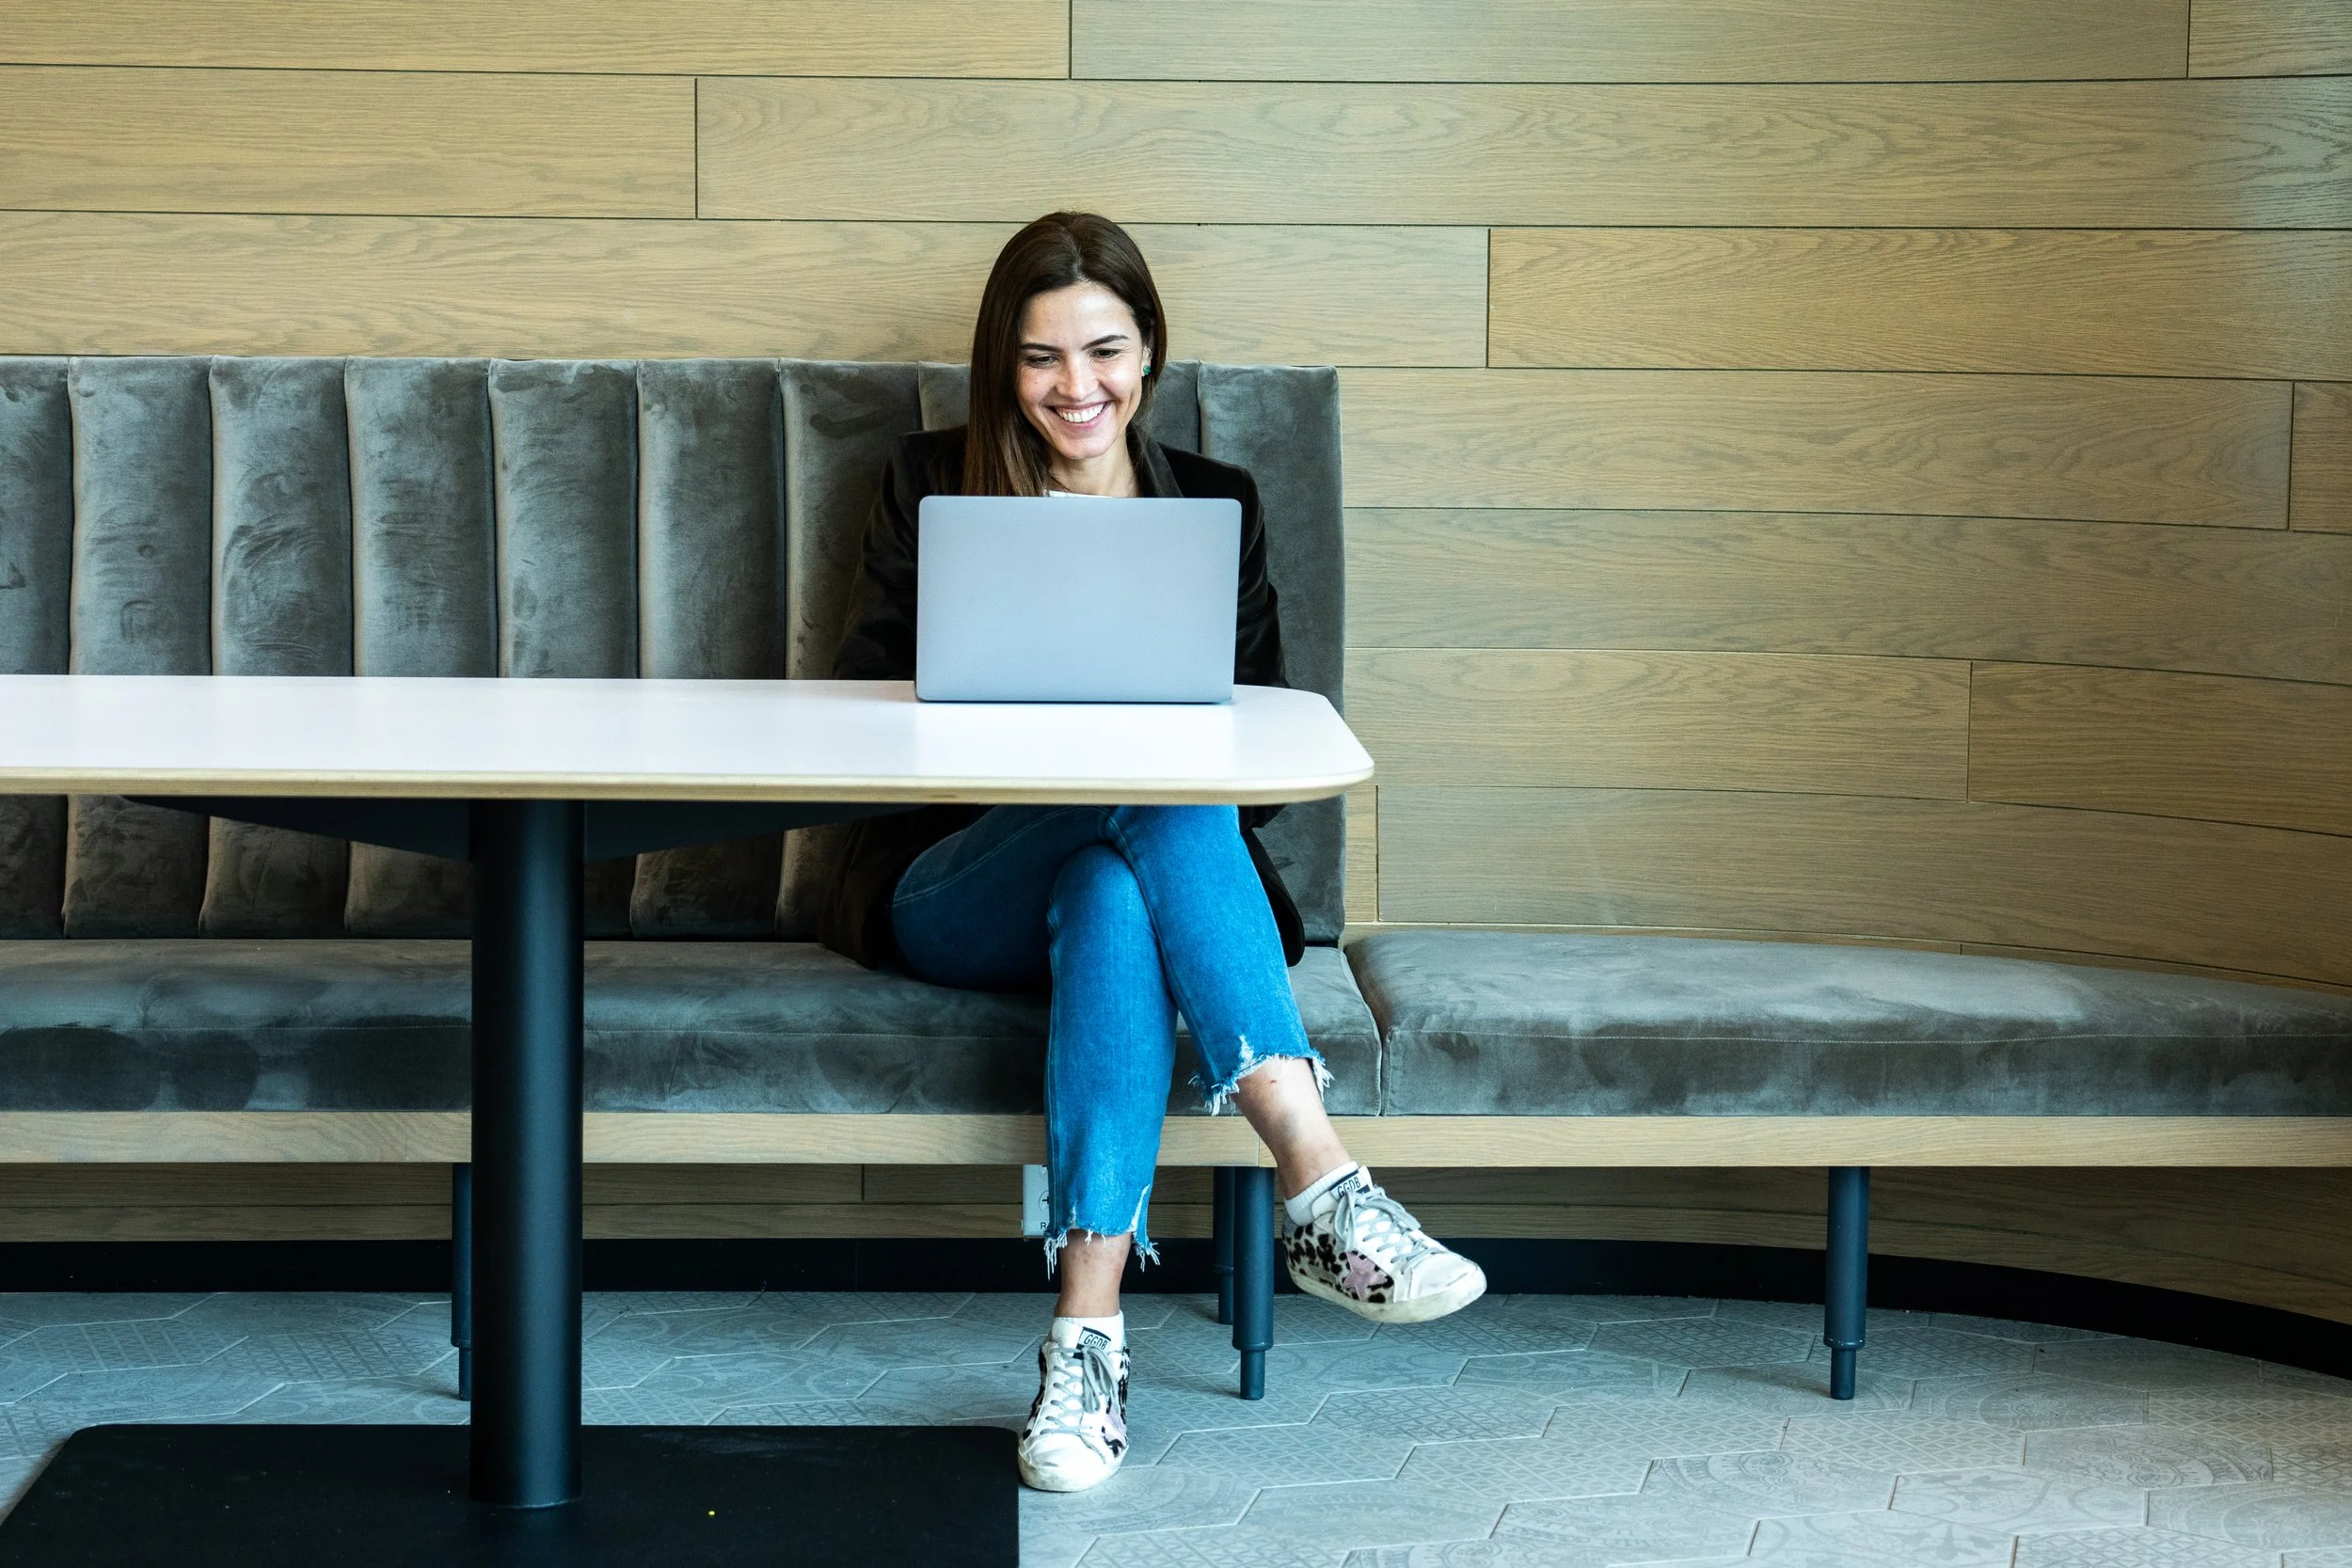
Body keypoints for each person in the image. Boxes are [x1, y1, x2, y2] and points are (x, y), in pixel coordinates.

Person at [819, 212, 1486, 1493]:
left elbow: (1271, 740)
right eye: (1040, 358)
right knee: (1164, 786)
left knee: (1125, 876)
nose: (1077, 387)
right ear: (1000, 367)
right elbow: (858, 714)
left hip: (1116, 879)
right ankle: (1321, 1181)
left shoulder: (1218, 506)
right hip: (955, 877)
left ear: (1150, 350)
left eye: (1105, 350)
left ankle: (1085, 1350)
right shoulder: (928, 484)